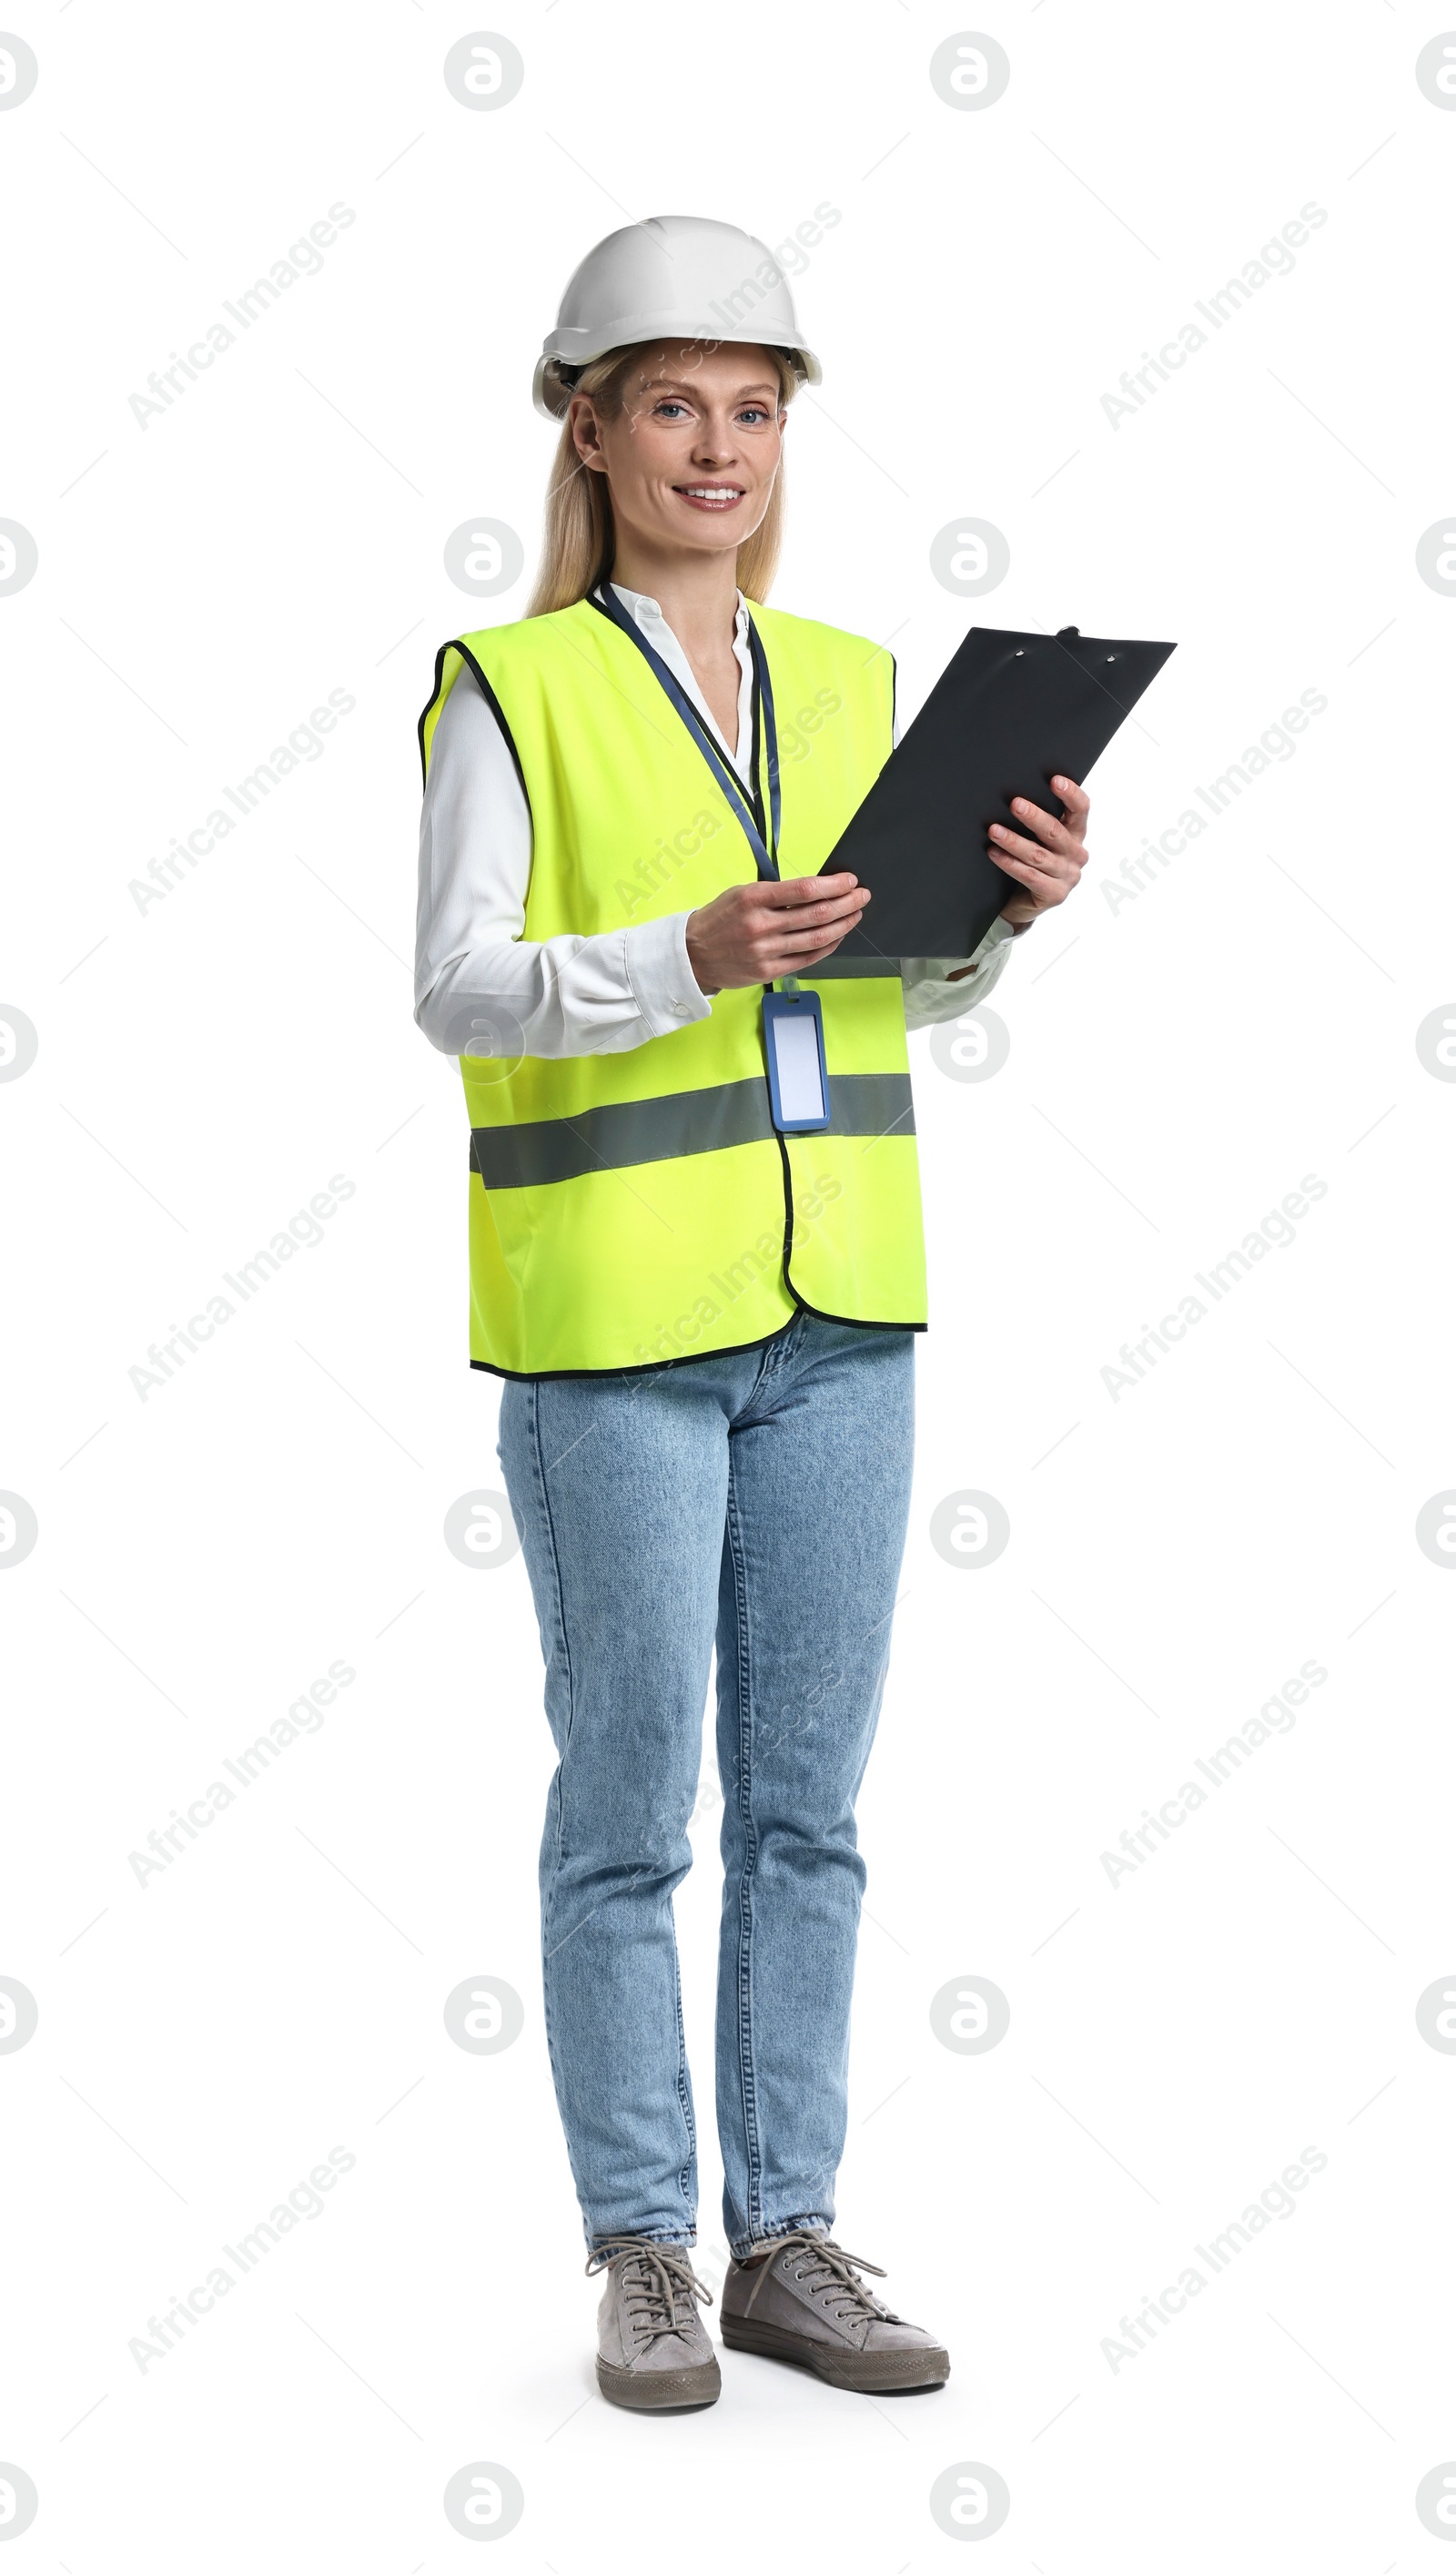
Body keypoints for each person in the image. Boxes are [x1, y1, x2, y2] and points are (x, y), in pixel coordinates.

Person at [415, 215, 1088, 2410]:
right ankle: (641, 2247)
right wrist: (683, 957)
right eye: (675, 402)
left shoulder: (859, 687)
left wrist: (1001, 917)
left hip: (837, 1317)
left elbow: (885, 970)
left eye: (756, 407)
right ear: (590, 428)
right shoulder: (508, 688)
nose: (721, 444)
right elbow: (453, 988)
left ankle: (785, 2231)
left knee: (812, 1808)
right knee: (629, 1810)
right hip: (614, 1323)